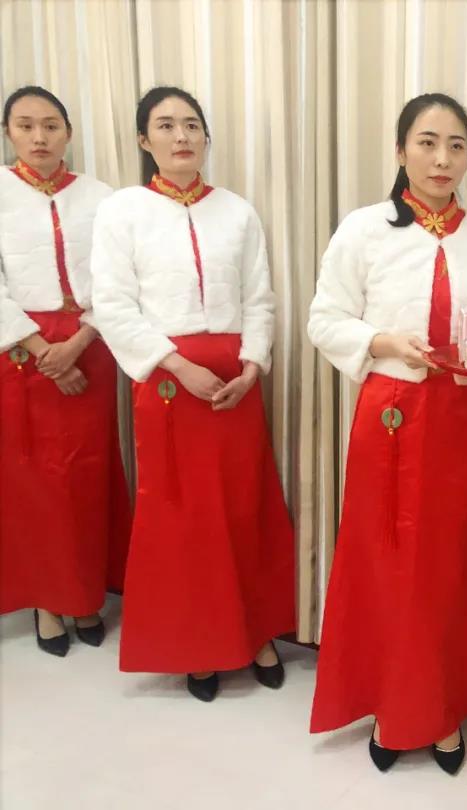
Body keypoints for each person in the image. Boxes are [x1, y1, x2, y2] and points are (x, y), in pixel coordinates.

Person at [307, 93, 467, 774]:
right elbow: (324, 319)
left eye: (457, 145)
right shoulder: (364, 229)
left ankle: (443, 708)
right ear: (401, 151)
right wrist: (383, 341)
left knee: (450, 562)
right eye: (427, 142)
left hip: (459, 419)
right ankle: (391, 709)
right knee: (386, 559)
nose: (442, 158)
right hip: (390, 413)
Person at [90, 86, 294, 701]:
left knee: (244, 508)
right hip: (168, 383)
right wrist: (177, 366)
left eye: (192, 125)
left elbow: (259, 297)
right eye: (165, 125)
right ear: (143, 140)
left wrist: (253, 364)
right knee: (183, 519)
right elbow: (114, 305)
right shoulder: (123, 211)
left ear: (206, 137)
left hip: (235, 383)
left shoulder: (237, 211)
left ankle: (256, 633)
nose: (181, 136)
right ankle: (197, 646)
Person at [0, 86, 130, 656]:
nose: (39, 137)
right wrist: (38, 348)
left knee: (85, 476)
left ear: (69, 133)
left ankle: (84, 594)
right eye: (26, 125)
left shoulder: (101, 198)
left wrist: (79, 342)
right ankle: (46, 602)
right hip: (19, 352)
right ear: (8, 133)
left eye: (51, 125)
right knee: (34, 482)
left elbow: (118, 278)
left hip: (89, 345)